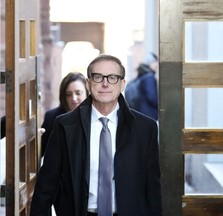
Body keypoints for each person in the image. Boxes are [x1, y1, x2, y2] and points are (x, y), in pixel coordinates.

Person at [30, 54, 163, 216]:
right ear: (88, 83)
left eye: (112, 77)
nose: (105, 83)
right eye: (98, 77)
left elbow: (153, 189)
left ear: (122, 84)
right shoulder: (64, 125)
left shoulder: (145, 128)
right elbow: (46, 185)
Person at [41, 72, 89, 157]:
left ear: (87, 93)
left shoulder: (95, 116)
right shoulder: (52, 117)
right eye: (68, 94)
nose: (74, 99)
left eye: (78, 93)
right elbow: (41, 151)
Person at [126, 52, 159, 121]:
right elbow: (151, 97)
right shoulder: (149, 77)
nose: (157, 65)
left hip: (141, 112)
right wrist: (160, 105)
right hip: (149, 114)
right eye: (155, 62)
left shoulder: (142, 75)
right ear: (150, 63)